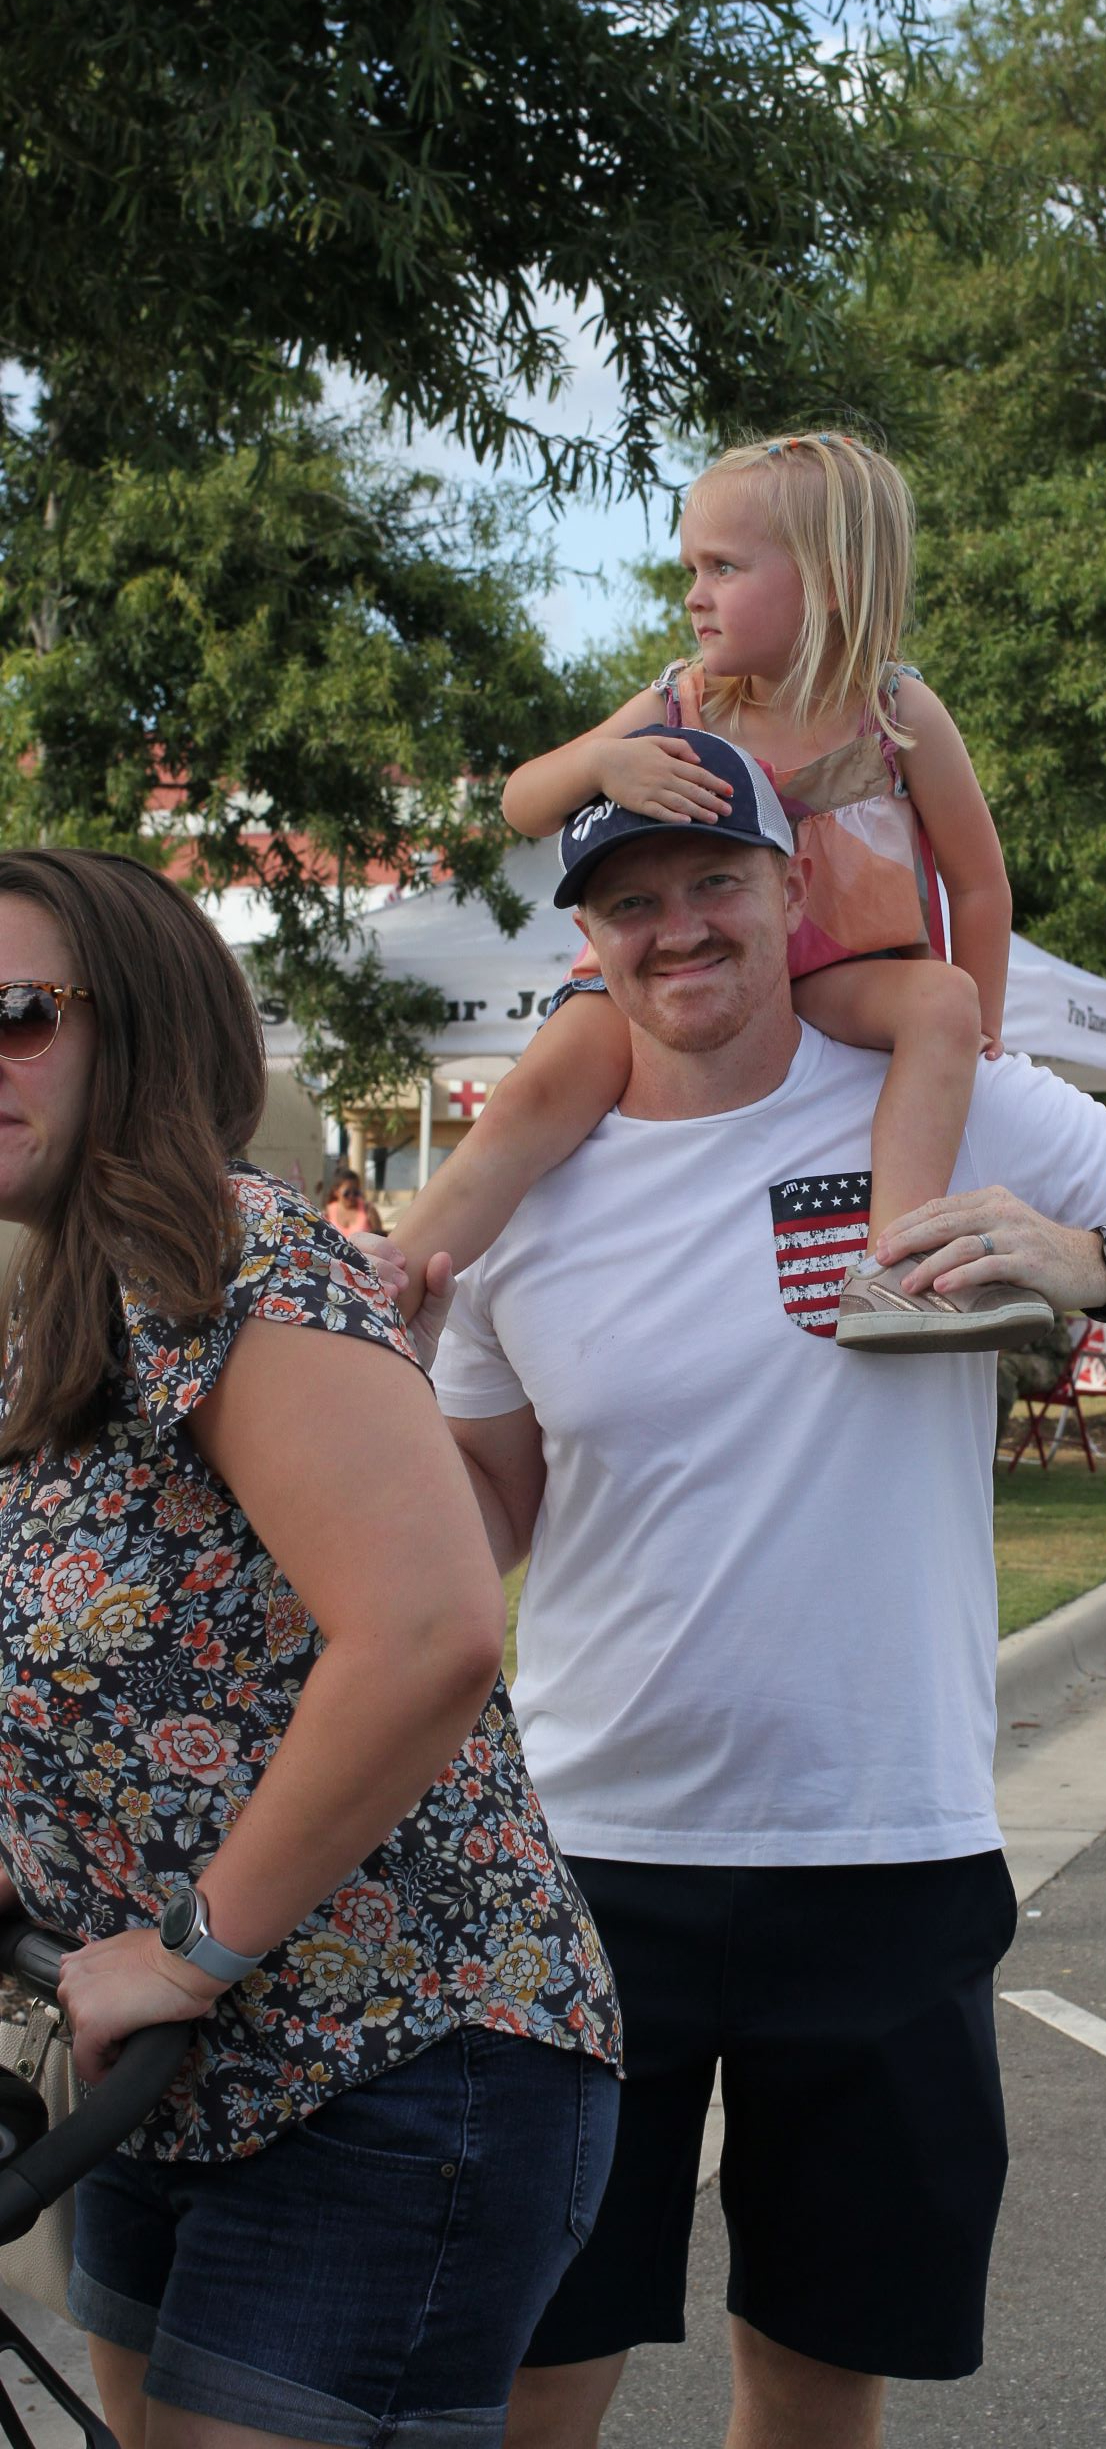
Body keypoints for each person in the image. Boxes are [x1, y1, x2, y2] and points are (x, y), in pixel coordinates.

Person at [392, 801, 1106, 2449]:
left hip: (886, 1846)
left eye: (713, 882)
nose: (676, 925)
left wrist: (1089, 1259)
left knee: (823, 2357)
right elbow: (493, 1490)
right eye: (629, 901)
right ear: (587, 941)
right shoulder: (530, 1184)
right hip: (589, 1859)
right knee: (532, 2356)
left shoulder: (952, 1098)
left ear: (790, 888)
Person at [0, 850, 620, 2449]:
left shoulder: (240, 1258)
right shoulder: (57, 1304)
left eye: (16, 1016)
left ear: (133, 1027)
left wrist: (189, 1946)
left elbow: (427, 1633)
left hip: (391, 2054)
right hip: (166, 2066)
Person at [387, 428, 1055, 1354]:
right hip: (677, 972)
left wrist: (984, 1024)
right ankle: (386, 1278)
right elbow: (521, 804)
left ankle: (893, 1267)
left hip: (829, 971)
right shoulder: (684, 703)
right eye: (690, 568)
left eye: (723, 567)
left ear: (829, 580)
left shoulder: (897, 710)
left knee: (942, 1001)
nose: (694, 595)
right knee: (536, 1090)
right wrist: (602, 762)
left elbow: (980, 883)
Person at [324, 1166, 383, 1238]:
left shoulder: (368, 1210)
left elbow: (380, 1239)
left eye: (355, 1192)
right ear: (336, 1192)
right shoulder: (328, 1212)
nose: (351, 1197)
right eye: (347, 1193)